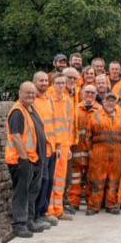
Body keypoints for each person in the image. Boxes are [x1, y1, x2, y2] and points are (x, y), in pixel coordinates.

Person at [5, 82, 47, 237]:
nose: (30, 96)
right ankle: (19, 224)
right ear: (20, 93)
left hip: (34, 159)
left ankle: (29, 220)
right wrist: (24, 159)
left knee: (32, 192)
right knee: (21, 192)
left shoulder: (31, 109)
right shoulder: (17, 112)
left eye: (32, 93)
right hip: (22, 161)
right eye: (27, 93)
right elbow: (15, 137)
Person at [85, 92, 121, 215]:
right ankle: (94, 206)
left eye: (113, 100)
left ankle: (111, 205)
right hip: (99, 153)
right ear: (103, 102)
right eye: (108, 100)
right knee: (96, 180)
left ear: (116, 102)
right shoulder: (95, 116)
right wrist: (92, 152)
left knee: (114, 181)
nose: (110, 103)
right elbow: (88, 136)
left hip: (117, 153)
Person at [66, 85, 101, 213]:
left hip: (93, 152)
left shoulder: (100, 110)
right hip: (77, 151)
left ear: (96, 94)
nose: (89, 94)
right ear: (82, 93)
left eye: (92, 92)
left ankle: (92, 205)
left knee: (92, 179)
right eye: (87, 92)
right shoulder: (75, 109)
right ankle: (73, 203)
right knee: (75, 178)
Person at [46, 74, 74, 221]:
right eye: (58, 83)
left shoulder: (67, 100)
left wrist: (68, 146)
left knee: (60, 180)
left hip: (63, 146)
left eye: (63, 83)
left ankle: (59, 209)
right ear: (53, 83)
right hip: (52, 145)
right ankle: (49, 211)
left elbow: (69, 126)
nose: (61, 85)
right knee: (51, 178)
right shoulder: (48, 98)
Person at [32, 72, 58, 228]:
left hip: (51, 147)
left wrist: (58, 146)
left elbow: (53, 124)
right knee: (41, 181)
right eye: (40, 80)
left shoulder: (49, 100)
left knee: (48, 182)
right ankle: (36, 215)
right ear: (34, 82)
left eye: (45, 80)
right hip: (39, 148)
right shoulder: (32, 100)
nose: (43, 83)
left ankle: (43, 212)